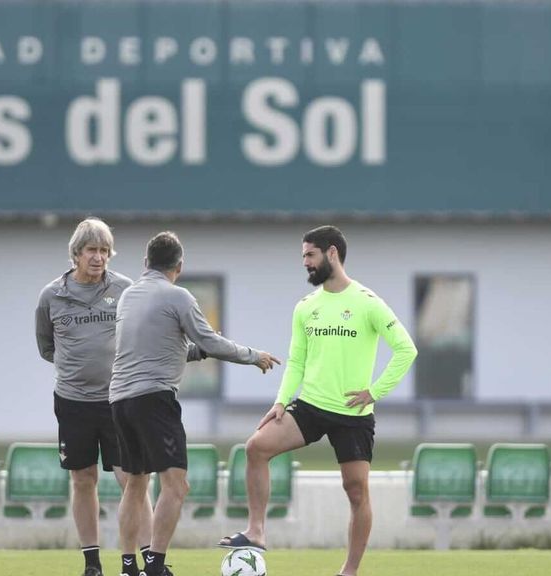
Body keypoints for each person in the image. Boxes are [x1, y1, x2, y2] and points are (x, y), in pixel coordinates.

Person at [219, 225, 417, 576]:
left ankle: (349, 570)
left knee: (356, 492)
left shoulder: (367, 303)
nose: (306, 263)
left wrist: (375, 391)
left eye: (310, 255)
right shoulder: (305, 307)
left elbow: (406, 350)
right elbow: (296, 361)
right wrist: (281, 401)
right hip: (309, 406)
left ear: (332, 254)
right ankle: (257, 530)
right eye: (303, 257)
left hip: (353, 414)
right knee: (255, 447)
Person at [110, 231, 281, 576]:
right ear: (179, 265)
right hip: (154, 399)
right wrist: (253, 356)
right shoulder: (178, 297)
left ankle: (129, 567)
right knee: (176, 485)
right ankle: (155, 566)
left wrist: (197, 351)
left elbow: (163, 349)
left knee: (136, 482)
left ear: (146, 263)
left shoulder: (129, 296)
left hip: (119, 400)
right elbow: (209, 340)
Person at [35, 217, 152, 576]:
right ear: (76, 254)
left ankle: (149, 558)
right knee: (82, 478)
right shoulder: (52, 295)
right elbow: (46, 346)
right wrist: (77, 366)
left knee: (131, 478)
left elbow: (144, 335)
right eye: (92, 250)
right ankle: (92, 563)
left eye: (104, 250)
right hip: (72, 402)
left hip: (119, 399)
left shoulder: (126, 289)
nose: (99, 257)